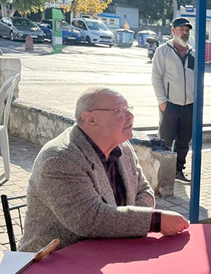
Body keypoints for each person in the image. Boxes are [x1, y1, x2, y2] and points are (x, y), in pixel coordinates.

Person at [19, 88, 189, 252]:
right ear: (90, 119)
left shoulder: (123, 146)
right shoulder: (60, 158)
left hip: (113, 251)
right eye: (120, 110)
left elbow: (143, 190)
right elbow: (90, 218)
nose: (130, 116)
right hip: (55, 260)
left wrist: (133, 227)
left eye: (128, 108)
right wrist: (155, 221)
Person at [151, 17, 195, 182]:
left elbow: (197, 79)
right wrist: (162, 101)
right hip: (170, 105)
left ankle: (178, 171)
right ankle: (161, 174)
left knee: (184, 141)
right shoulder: (162, 51)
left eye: (187, 29)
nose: (185, 32)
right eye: (181, 29)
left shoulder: (193, 53)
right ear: (173, 30)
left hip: (189, 106)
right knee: (165, 141)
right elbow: (156, 77)